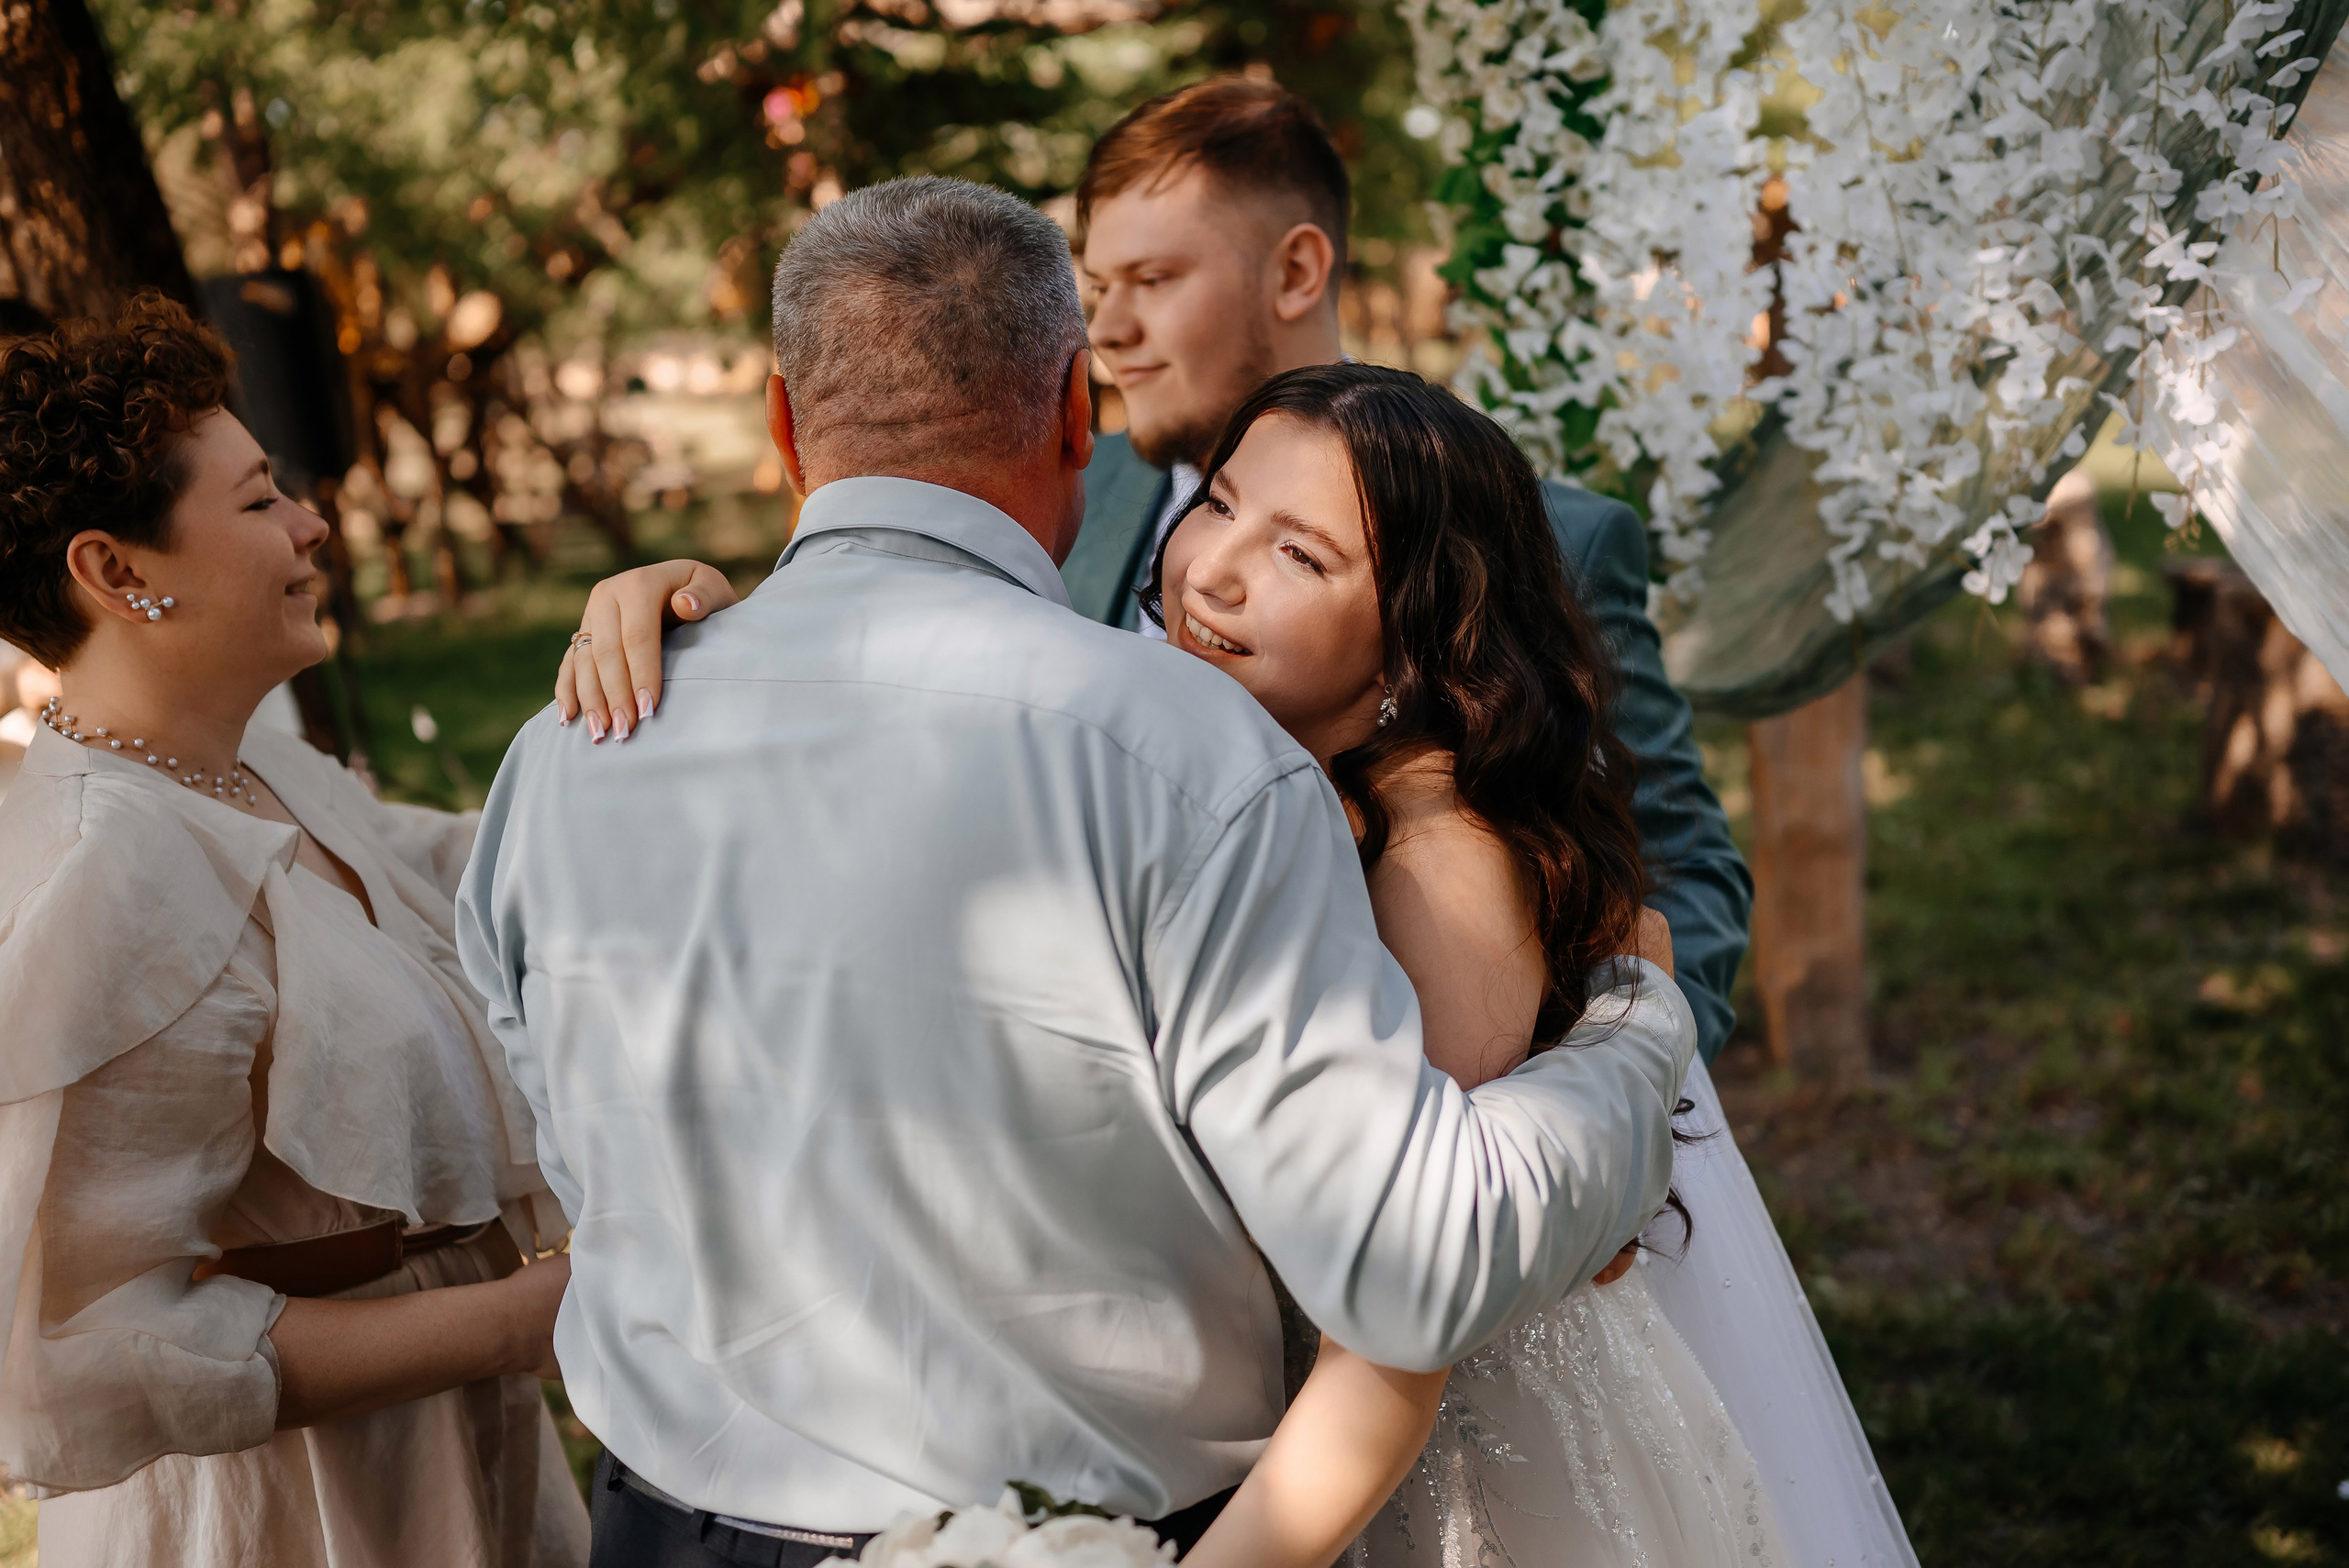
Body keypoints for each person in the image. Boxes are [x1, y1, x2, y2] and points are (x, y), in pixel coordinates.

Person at [457, 176, 1693, 1568]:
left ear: (784, 425)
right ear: (1075, 416)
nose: (1216, 574)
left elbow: (567, 1140)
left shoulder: (568, 752)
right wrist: (1638, 1042)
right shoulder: (1196, 761)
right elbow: (1410, 1264)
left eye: (1297, 550)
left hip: (665, 1530)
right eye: (1222, 509)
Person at [0, 295, 587, 1568]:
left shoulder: (260, 765)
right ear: (116, 571)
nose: (313, 522)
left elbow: (504, 874)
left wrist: (663, 637)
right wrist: (514, 1317)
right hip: (289, 1518)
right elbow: (91, 1337)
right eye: (262, 500)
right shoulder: (107, 869)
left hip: (459, 1451)